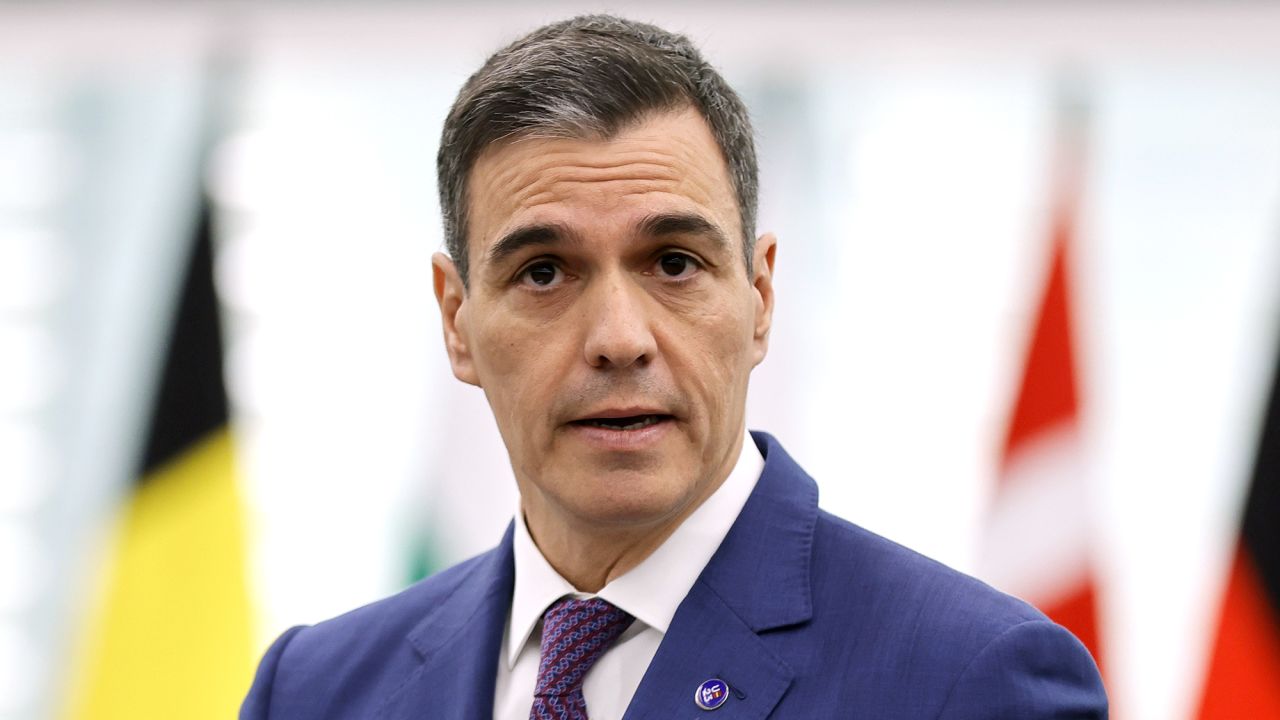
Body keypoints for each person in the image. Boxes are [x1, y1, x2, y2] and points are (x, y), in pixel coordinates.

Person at [241, 14, 1107, 719]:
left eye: (674, 264)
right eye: (544, 272)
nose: (620, 337)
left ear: (761, 295)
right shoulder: (315, 691)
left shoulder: (972, 682)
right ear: (456, 319)